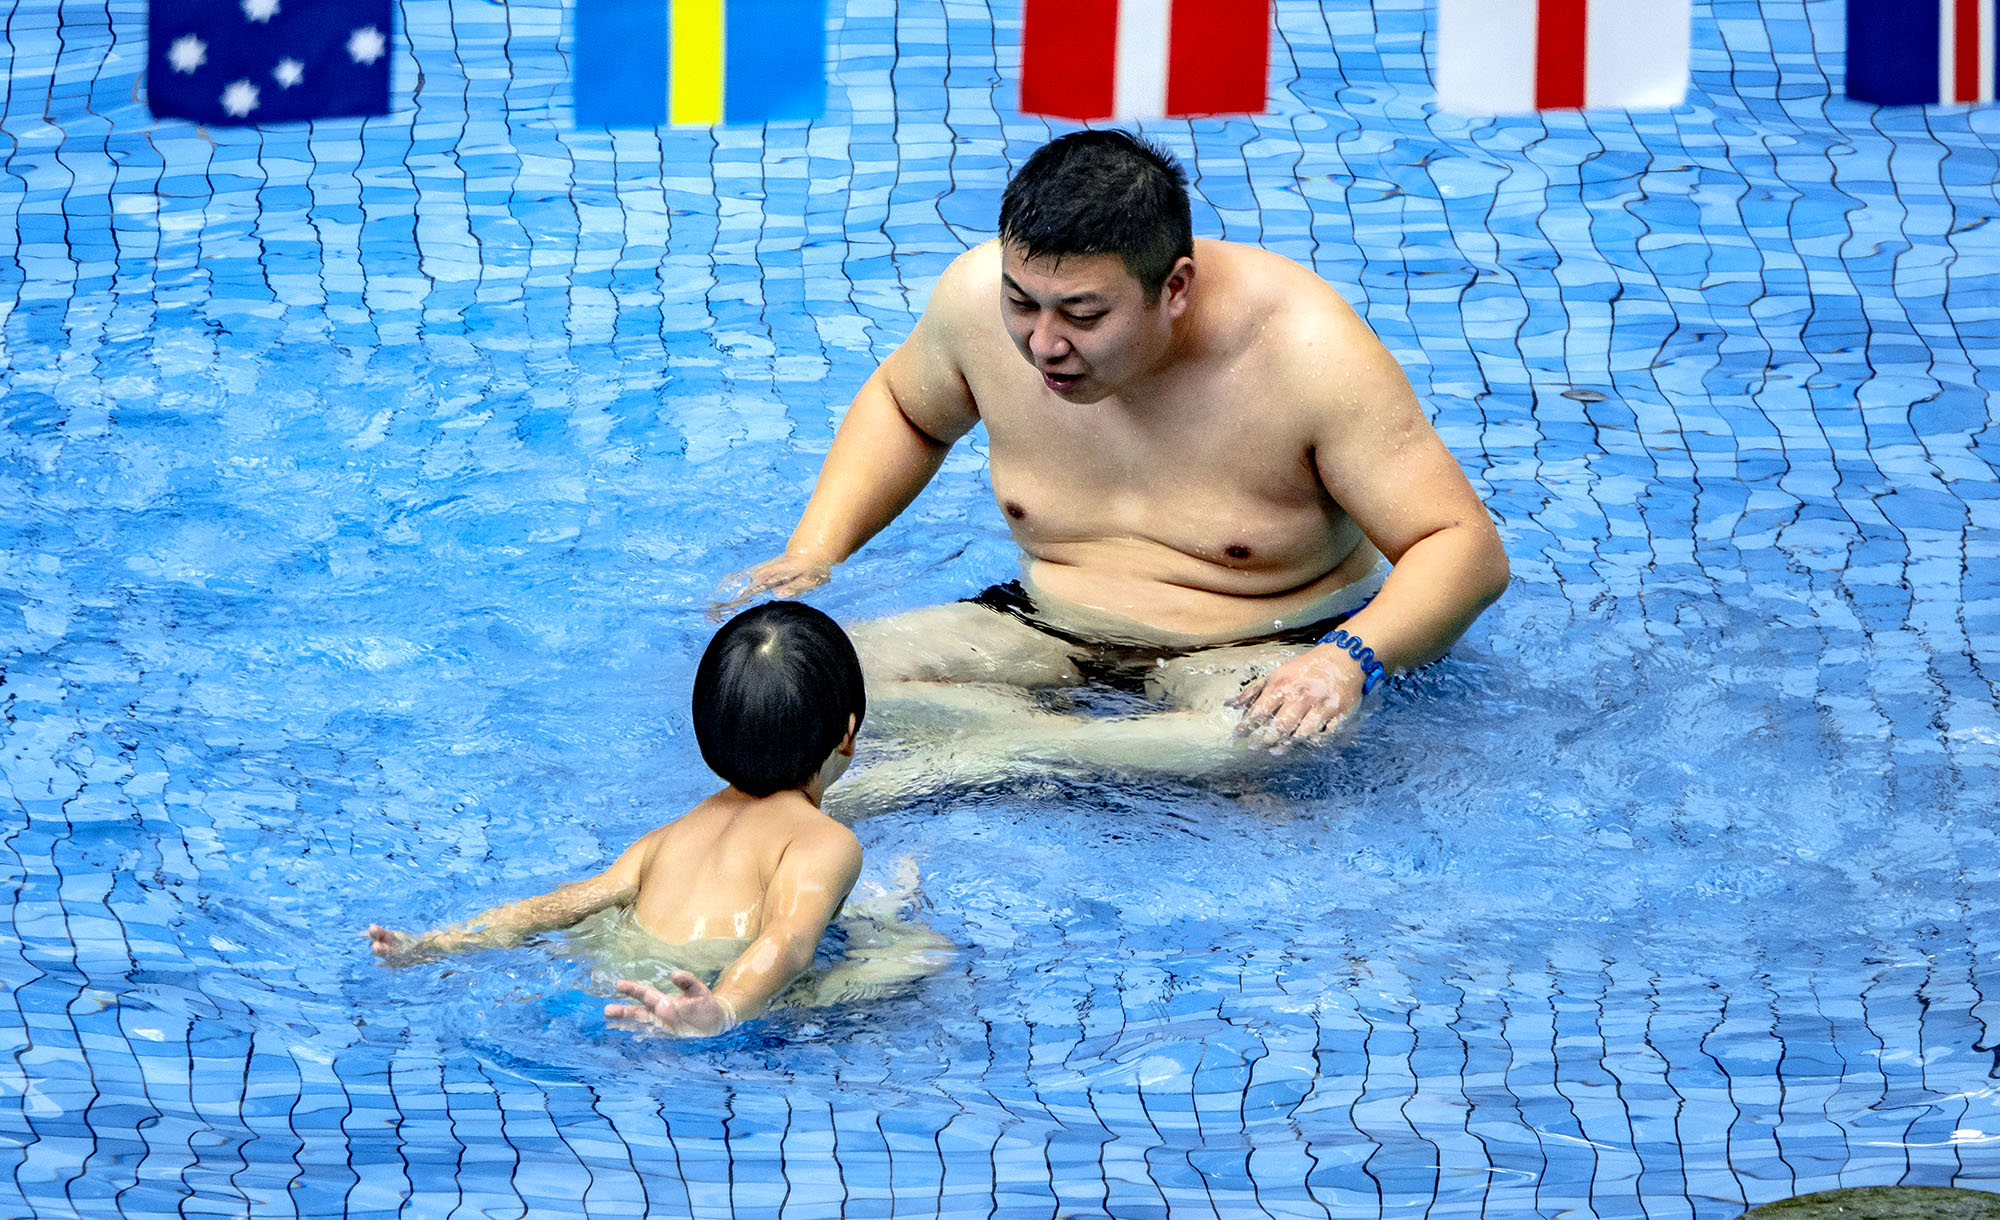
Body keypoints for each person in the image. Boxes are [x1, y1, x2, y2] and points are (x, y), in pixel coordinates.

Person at [719, 130, 1509, 796]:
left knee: (1264, 738)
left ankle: (994, 753)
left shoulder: (1305, 353)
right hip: (1036, 626)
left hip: (1249, 650)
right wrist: (815, 549)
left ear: (1175, 287)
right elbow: (904, 408)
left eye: (1084, 315)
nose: (1043, 345)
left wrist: (1346, 661)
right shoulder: (973, 303)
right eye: (1022, 303)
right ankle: (1032, 747)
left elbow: (1464, 547)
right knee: (803, 684)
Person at [364, 601, 944, 1035]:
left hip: (609, 971)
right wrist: (723, 1009)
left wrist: (441, 943)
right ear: (848, 733)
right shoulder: (827, 843)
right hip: (703, 984)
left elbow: (563, 905)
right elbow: (787, 941)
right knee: (920, 955)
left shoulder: (677, 831)